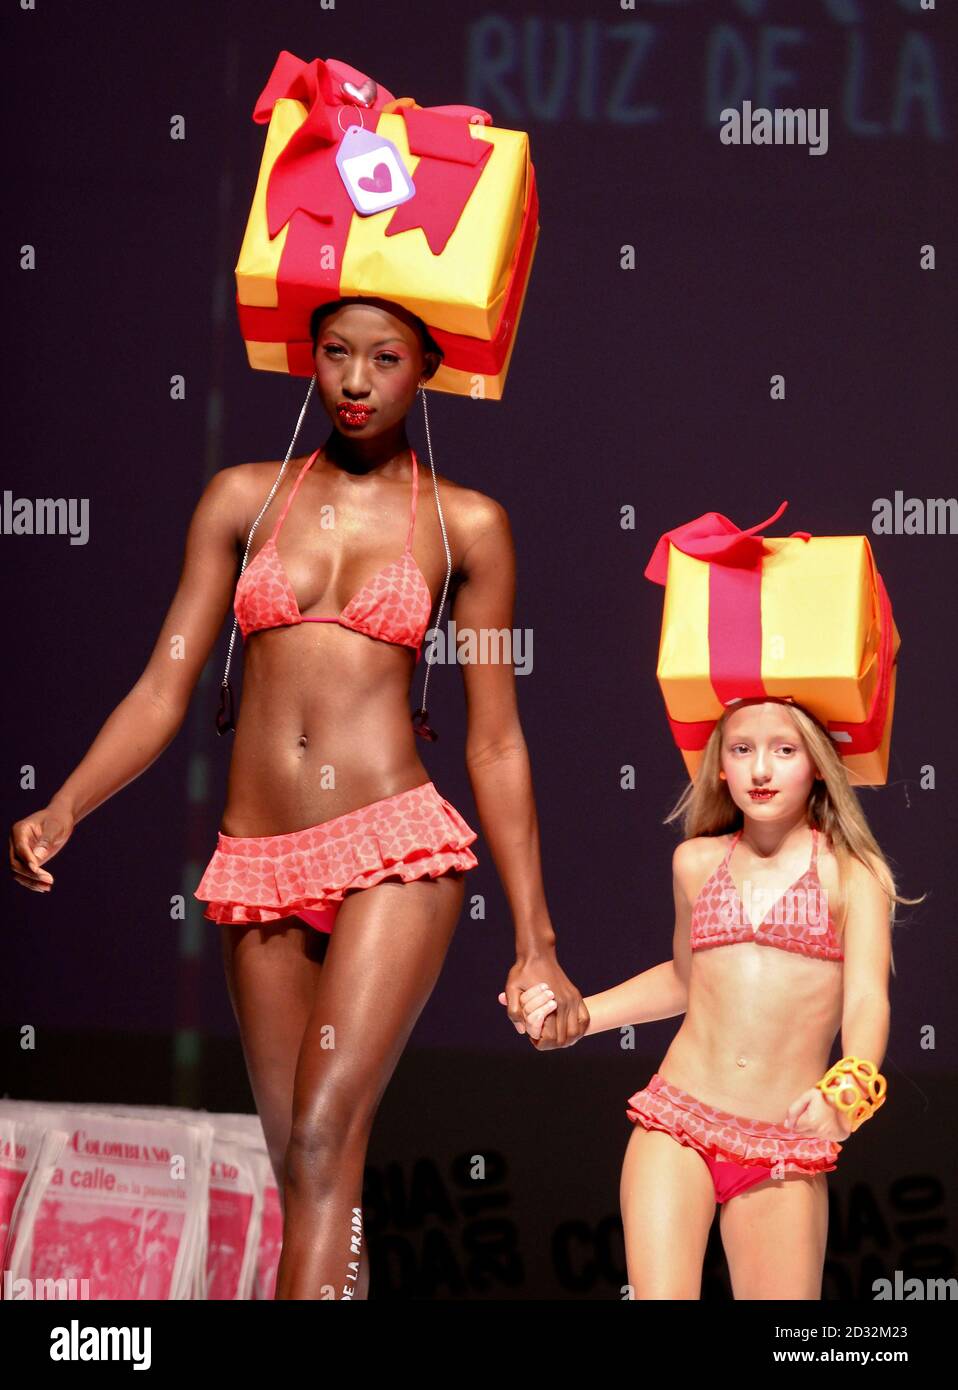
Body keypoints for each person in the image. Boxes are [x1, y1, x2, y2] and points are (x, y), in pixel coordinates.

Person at [8, 295, 588, 1299]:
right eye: (335, 354)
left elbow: (494, 739)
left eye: (386, 358)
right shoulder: (241, 499)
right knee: (310, 1170)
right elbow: (164, 684)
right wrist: (64, 808)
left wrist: (534, 936)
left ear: (426, 368)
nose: (357, 381)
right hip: (258, 860)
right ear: (308, 359)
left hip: (393, 848)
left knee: (322, 1135)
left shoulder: (469, 524)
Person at [509, 695, 920, 1300]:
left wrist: (850, 1087)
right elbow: (684, 980)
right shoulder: (695, 863)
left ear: (818, 764)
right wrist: (581, 1018)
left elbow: (865, 1000)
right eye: (742, 749)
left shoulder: (856, 875)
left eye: (784, 750)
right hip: (677, 1120)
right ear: (719, 766)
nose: (760, 770)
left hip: (784, 1140)